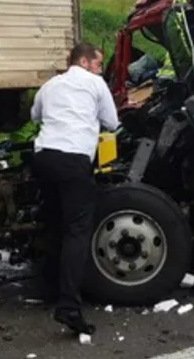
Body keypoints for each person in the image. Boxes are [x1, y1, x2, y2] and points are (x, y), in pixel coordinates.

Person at [29, 42, 120, 336]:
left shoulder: (50, 85)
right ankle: (68, 306)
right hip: (74, 160)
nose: (100, 69)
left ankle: (49, 287)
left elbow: (35, 116)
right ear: (84, 61)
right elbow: (112, 122)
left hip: (44, 158)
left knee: (53, 223)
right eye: (98, 63)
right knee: (77, 231)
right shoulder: (95, 83)